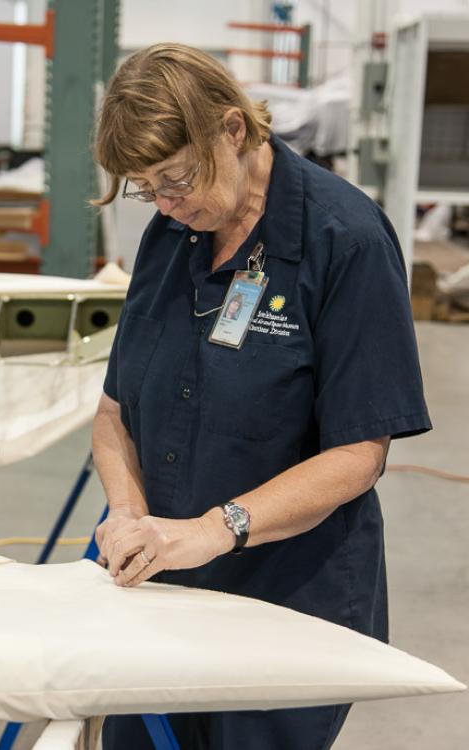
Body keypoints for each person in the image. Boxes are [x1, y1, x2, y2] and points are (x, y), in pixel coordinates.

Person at [90, 43, 431, 750]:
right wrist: (127, 515)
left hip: (286, 603)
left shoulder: (346, 240)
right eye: (146, 189)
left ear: (234, 129)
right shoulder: (170, 237)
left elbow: (358, 455)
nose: (167, 204)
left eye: (176, 178)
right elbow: (115, 411)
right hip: (161, 589)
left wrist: (215, 530)